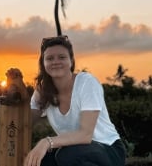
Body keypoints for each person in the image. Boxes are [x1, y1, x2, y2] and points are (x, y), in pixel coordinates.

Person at [24, 35, 126, 166]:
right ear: (43, 63)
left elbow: (85, 135)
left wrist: (46, 142)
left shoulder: (86, 83)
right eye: (49, 58)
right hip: (75, 152)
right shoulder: (43, 90)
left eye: (62, 57)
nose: (55, 61)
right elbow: (25, 122)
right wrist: (13, 97)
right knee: (41, 161)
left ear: (71, 61)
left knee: (66, 155)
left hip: (108, 150)